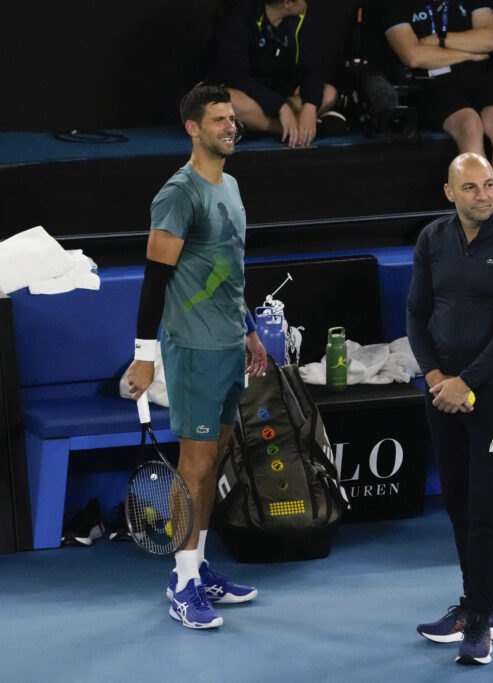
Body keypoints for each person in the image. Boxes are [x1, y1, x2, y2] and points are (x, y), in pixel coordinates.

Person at [126, 85, 268, 629]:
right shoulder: (178, 194)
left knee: (214, 460)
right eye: (219, 120)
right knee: (196, 465)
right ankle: (183, 582)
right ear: (193, 128)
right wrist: (144, 357)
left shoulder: (230, 185)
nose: (231, 127)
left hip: (229, 346)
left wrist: (249, 329)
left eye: (233, 119)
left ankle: (198, 566)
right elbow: (154, 279)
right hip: (192, 350)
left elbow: (229, 268)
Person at [406, 153, 493, 665]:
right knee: (458, 502)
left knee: (487, 507)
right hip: (443, 392)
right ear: (450, 192)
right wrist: (435, 377)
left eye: (489, 185)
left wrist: (466, 381)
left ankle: (481, 617)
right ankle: (476, 603)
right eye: (471, 187)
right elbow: (416, 313)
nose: (484, 195)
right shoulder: (431, 238)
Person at [384, 2, 493, 201]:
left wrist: (439, 40)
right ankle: (484, 201)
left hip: (478, 76)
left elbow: (490, 40)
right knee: (470, 125)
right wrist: (468, 53)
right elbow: (413, 56)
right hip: (431, 80)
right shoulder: (393, 5)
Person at [206, 0, 341, 148]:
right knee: (219, 101)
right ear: (287, 3)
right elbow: (238, 78)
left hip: (279, 92)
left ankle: (251, 126)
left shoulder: (301, 18)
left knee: (329, 93)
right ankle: (295, 130)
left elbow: (312, 66)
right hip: (247, 93)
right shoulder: (237, 19)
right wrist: (280, 107)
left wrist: (310, 107)